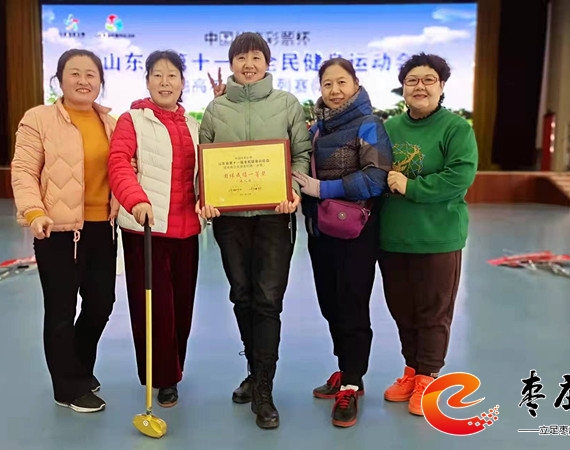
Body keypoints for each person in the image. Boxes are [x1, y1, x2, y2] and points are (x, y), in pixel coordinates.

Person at [198, 32, 311, 429]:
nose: (248, 64)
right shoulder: (215, 109)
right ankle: (254, 369)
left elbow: (301, 154)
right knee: (242, 296)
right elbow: (204, 162)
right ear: (231, 64)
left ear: (267, 62)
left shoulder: (287, 104)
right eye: (241, 57)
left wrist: (292, 189)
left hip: (274, 217)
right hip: (229, 221)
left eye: (256, 57)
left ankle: (264, 389)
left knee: (267, 301)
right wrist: (205, 196)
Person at [11, 48, 120, 414]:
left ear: (100, 81)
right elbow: (24, 170)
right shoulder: (38, 119)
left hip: (102, 229)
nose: (83, 81)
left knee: (101, 304)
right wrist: (34, 211)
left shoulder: (111, 123)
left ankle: (78, 369)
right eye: (74, 73)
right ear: (59, 79)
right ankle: (67, 387)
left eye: (91, 74)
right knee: (60, 310)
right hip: (56, 231)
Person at [292, 58, 392, 428]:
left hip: (355, 233)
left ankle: (352, 381)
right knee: (331, 304)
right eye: (327, 84)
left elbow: (376, 178)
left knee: (352, 305)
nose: (334, 90)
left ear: (355, 84)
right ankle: (345, 367)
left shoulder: (369, 124)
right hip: (320, 230)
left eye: (341, 82)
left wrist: (324, 189)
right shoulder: (316, 128)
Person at [378, 52, 478, 416]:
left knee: (433, 312)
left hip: (437, 237)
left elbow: (459, 177)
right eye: (412, 80)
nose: (419, 86)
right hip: (393, 237)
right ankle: (411, 370)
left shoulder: (456, 129)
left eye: (428, 80)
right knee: (402, 309)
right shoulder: (389, 128)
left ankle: (428, 376)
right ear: (403, 88)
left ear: (442, 86)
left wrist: (410, 186)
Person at [108, 50, 204, 408]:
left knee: (181, 308)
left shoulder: (193, 125)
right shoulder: (131, 120)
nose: (165, 82)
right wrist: (136, 200)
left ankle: (174, 368)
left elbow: (202, 174)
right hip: (146, 229)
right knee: (155, 309)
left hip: (187, 231)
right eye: (158, 75)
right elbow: (119, 163)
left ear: (182, 82)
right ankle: (162, 379)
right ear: (147, 81)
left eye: (172, 75)